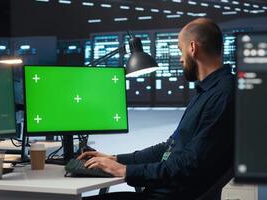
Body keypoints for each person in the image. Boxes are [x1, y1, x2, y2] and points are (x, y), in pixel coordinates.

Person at [79, 18, 235, 200]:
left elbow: (190, 165)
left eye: (180, 50)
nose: (180, 58)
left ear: (192, 48)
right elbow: (169, 148)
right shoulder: (208, 91)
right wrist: (117, 159)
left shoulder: (224, 94)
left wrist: (125, 171)